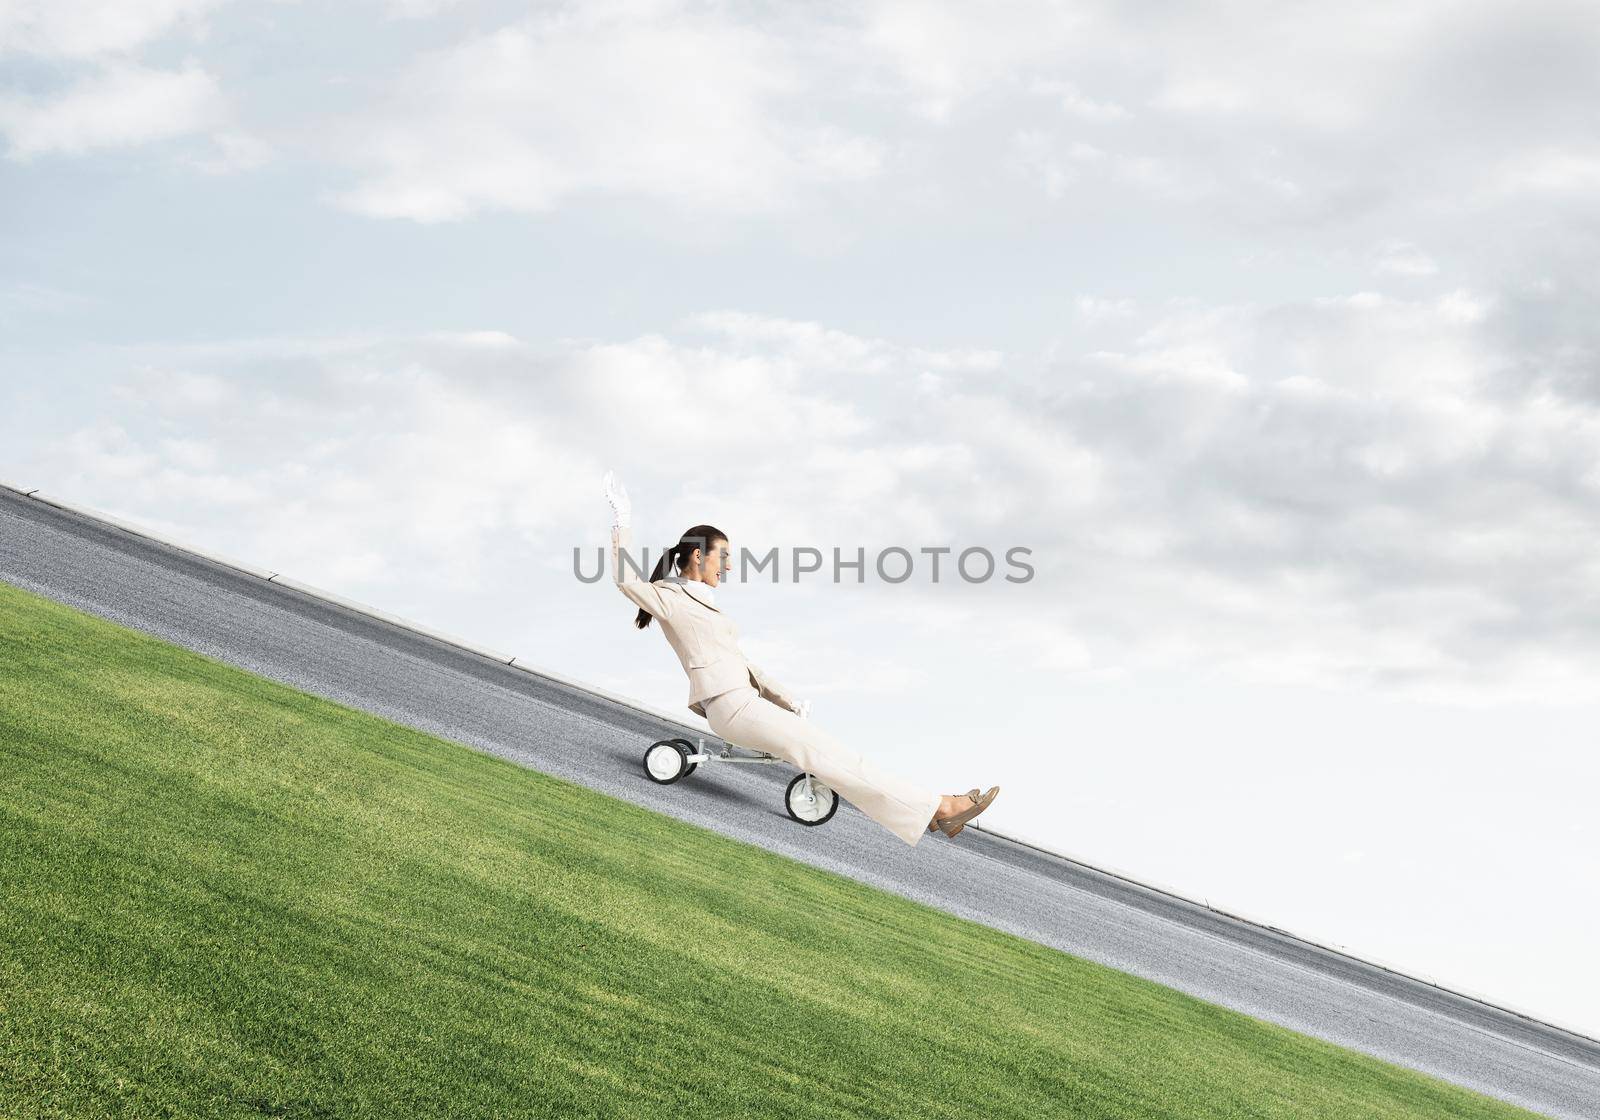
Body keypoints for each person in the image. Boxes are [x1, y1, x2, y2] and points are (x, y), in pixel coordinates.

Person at [602, 471, 998, 845]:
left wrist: (786, 699)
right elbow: (625, 580)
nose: (729, 565)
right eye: (723, 556)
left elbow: (744, 664)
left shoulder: (708, 606)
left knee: (834, 754)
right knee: (826, 755)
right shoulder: (671, 598)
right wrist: (623, 519)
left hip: (745, 702)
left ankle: (932, 811)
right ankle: (939, 806)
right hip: (730, 707)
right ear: (696, 556)